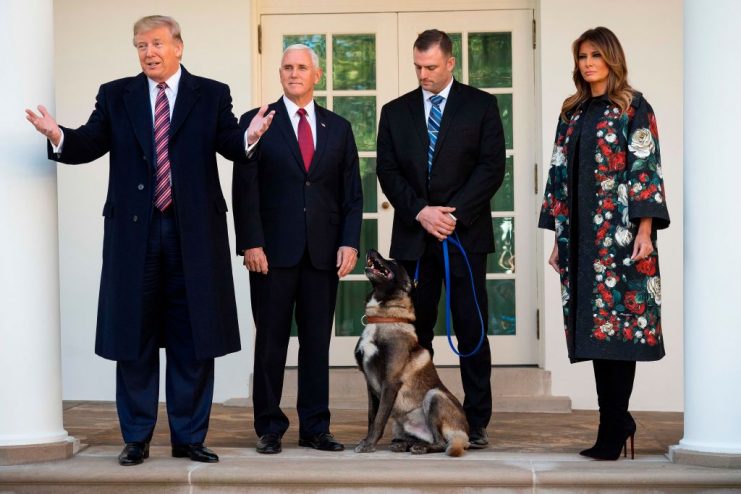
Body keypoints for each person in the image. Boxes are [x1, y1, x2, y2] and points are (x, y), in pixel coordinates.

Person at [25, 15, 274, 466]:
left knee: (192, 335)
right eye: (140, 45)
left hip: (193, 235)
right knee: (134, 336)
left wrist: (250, 136)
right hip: (134, 234)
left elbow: (231, 144)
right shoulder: (116, 94)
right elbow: (89, 142)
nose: (148, 53)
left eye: (156, 43)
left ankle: (189, 437)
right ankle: (136, 437)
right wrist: (58, 134)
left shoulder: (211, 94)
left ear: (179, 46)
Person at [538, 26, 670, 461]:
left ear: (612, 58)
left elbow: (645, 169)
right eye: (582, 56)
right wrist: (559, 237)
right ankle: (612, 421)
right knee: (595, 334)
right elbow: (558, 173)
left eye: (596, 54)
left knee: (619, 330)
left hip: (620, 239)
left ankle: (615, 423)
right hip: (580, 240)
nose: (588, 62)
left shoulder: (633, 107)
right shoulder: (572, 111)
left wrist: (645, 232)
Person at [376, 29, 506, 448]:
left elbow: (491, 167)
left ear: (450, 62)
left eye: (430, 67)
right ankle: (412, 420)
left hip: (463, 237)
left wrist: (452, 214)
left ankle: (477, 420)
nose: (423, 74)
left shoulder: (481, 105)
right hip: (415, 239)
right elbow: (388, 171)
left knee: (472, 330)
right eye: (417, 67)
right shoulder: (395, 112)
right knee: (416, 335)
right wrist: (421, 212)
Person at [232, 44, 363, 455]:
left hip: (322, 254)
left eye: (302, 67)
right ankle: (269, 427)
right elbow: (244, 188)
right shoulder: (256, 122)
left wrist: (349, 241)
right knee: (270, 342)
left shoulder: (338, 128)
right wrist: (251, 241)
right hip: (270, 254)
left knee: (315, 344)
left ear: (317, 75)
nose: (294, 73)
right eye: (287, 67)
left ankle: (315, 427)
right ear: (279, 73)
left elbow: (352, 194)